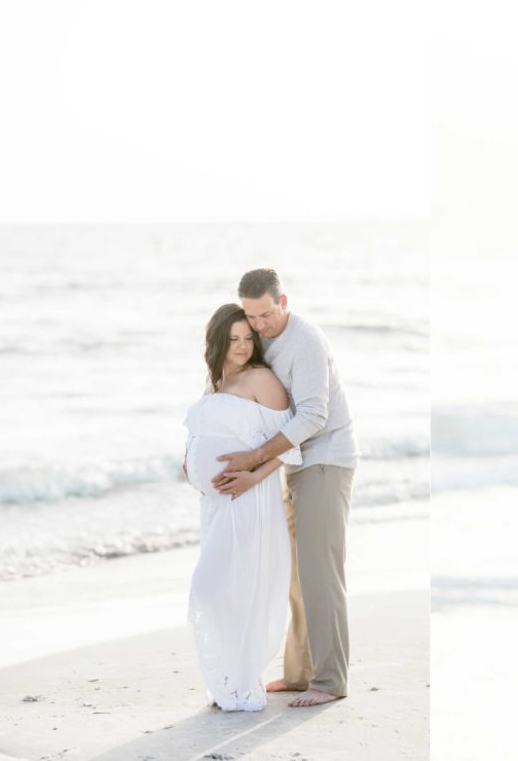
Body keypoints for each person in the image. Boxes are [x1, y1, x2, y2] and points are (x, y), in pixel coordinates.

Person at [211, 268, 359, 708]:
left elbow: (313, 416)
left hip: (326, 461)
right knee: (295, 575)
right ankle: (300, 674)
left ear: (284, 302)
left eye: (267, 314)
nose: (259, 325)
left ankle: (330, 680)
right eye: (252, 317)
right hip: (293, 463)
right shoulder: (261, 341)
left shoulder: (305, 341)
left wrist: (255, 459)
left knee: (321, 574)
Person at [183, 303, 301, 711]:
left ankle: (243, 676)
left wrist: (254, 476)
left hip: (248, 499)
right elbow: (203, 430)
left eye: (248, 338)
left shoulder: (262, 379)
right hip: (216, 506)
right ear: (217, 341)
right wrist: (189, 459)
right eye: (233, 339)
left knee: (212, 587)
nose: (242, 346)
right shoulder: (215, 381)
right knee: (227, 590)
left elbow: (291, 443)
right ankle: (229, 680)